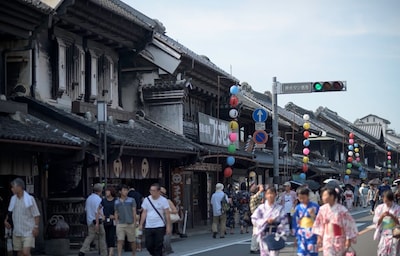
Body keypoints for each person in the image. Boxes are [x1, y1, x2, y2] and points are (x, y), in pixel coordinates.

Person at [312, 186, 358, 256]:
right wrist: (319, 237)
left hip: (339, 238)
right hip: (327, 238)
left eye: (325, 195)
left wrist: (348, 239)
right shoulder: (322, 209)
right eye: (322, 195)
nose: (323, 197)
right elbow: (319, 224)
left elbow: (348, 225)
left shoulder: (342, 210)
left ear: (332, 196)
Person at [4, 178, 40, 256]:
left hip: (28, 231)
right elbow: (10, 211)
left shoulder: (30, 199)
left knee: (26, 252)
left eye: (13, 187)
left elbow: (36, 214)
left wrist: (36, 227)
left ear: (19, 187)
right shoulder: (13, 199)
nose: (12, 189)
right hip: (17, 231)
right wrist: (6, 221)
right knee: (20, 253)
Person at [251, 186, 289, 256]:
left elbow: (284, 221)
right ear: (265, 195)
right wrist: (265, 221)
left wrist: (276, 223)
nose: (270, 195)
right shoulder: (261, 208)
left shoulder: (279, 208)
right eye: (268, 193)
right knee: (264, 253)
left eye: (272, 193)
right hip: (264, 234)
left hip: (275, 234)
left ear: (275, 195)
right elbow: (254, 219)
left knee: (274, 254)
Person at [139, 183, 171, 256]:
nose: (152, 192)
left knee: (158, 244)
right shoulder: (147, 200)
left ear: (159, 191)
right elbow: (144, 212)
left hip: (159, 225)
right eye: (151, 190)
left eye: (154, 190)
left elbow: (167, 213)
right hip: (149, 226)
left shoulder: (163, 200)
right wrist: (141, 224)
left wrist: (168, 226)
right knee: (148, 245)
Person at [79, 183, 107, 256]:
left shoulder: (89, 198)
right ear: (100, 190)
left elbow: (86, 209)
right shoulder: (99, 199)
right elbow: (98, 211)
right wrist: (102, 217)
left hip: (90, 220)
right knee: (102, 236)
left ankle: (82, 250)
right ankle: (103, 252)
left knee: (90, 236)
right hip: (97, 220)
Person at [292, 187, 320, 256]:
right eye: (300, 198)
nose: (301, 200)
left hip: (312, 233)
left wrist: (313, 216)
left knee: (312, 252)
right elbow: (295, 222)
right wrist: (295, 236)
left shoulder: (315, 206)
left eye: (303, 198)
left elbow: (320, 220)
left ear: (308, 196)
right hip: (301, 233)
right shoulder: (298, 208)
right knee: (301, 252)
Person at [373, 190, 400, 255]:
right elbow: (376, 222)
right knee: (382, 251)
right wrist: (382, 216)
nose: (387, 203)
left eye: (389, 201)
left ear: (392, 200)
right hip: (383, 233)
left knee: (393, 251)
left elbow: (399, 222)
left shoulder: (397, 208)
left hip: (394, 233)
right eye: (385, 201)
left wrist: (392, 216)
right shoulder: (380, 208)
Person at [114, 184, 137, 256]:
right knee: (120, 240)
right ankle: (119, 254)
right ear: (120, 192)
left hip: (130, 222)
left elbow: (134, 211)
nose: (126, 192)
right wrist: (116, 221)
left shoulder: (131, 200)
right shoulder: (116, 201)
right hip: (120, 223)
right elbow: (116, 212)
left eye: (126, 190)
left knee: (132, 240)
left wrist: (135, 222)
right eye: (124, 190)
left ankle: (133, 253)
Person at [160, 187, 178, 255]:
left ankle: (167, 249)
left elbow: (175, 210)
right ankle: (165, 249)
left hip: (168, 221)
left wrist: (168, 211)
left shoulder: (168, 201)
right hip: (158, 221)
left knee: (167, 236)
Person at [249, 184, 264, 254]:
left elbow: (260, 200)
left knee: (257, 233)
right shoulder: (252, 196)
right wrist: (260, 190)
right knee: (256, 233)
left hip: (257, 217)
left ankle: (255, 247)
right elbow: (255, 197)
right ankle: (254, 248)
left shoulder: (255, 197)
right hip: (256, 217)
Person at [102, 186, 117, 256]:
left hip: (113, 220)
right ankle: (108, 250)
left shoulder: (116, 200)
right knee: (106, 236)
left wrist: (115, 216)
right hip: (105, 220)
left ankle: (111, 252)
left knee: (111, 236)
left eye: (108, 191)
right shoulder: (103, 200)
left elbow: (119, 210)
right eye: (106, 191)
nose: (106, 192)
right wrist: (102, 216)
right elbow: (98, 209)